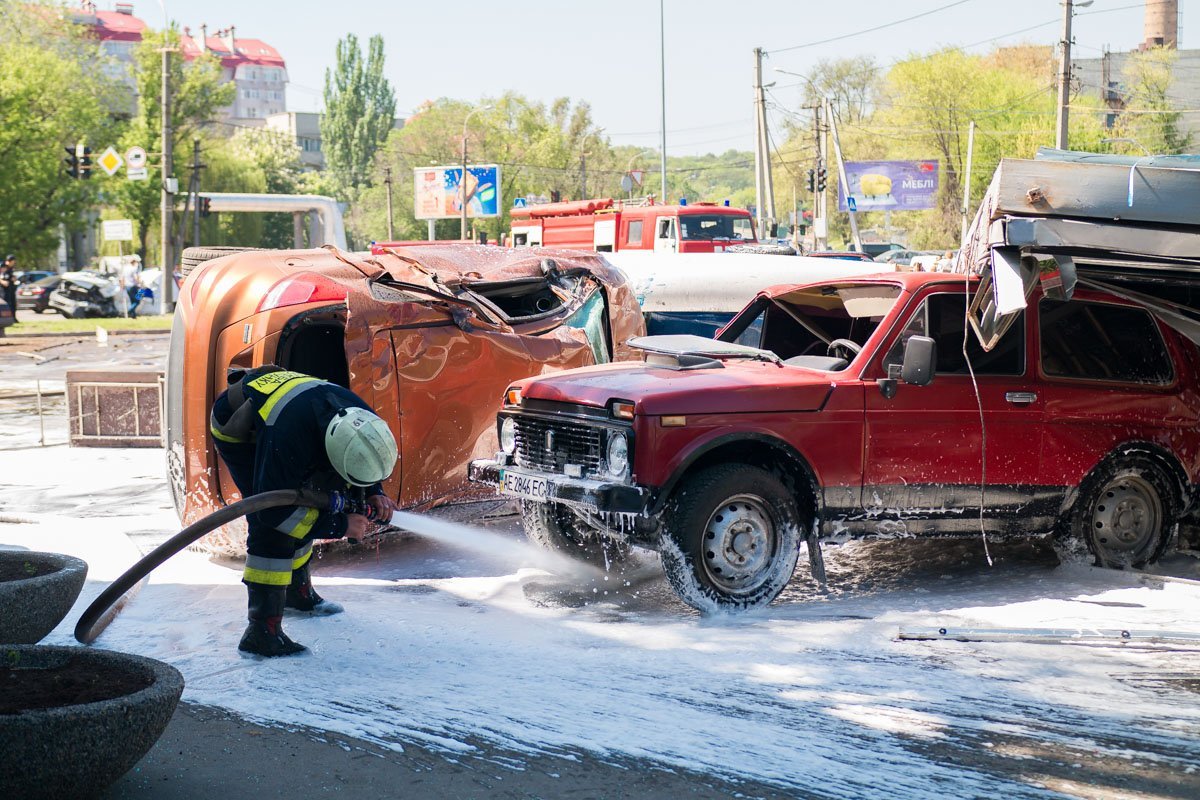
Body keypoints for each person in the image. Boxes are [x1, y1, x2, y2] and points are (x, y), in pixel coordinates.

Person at [210, 365, 400, 657]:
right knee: (273, 523)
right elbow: (272, 512)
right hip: (241, 428)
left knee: (311, 501)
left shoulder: (362, 419)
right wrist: (341, 526)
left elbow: (363, 455)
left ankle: (296, 595)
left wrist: (375, 492)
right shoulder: (289, 440)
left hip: (296, 421)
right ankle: (261, 632)